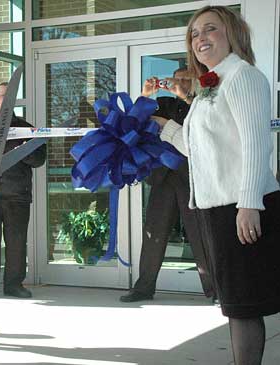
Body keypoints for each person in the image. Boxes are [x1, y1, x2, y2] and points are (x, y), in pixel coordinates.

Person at [154, 6, 280, 364]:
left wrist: (249, 204)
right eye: (194, 33)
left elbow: (256, 143)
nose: (200, 38)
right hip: (216, 210)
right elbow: (199, 149)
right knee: (235, 306)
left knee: (243, 307)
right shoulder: (212, 85)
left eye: (210, 29)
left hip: (239, 207)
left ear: (234, 34)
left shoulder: (242, 76)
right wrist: (162, 128)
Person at [120, 67, 215, 303]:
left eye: (186, 79)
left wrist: (186, 96)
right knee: (154, 233)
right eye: (177, 79)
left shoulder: (202, 103)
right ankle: (143, 288)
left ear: (195, 82)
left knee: (199, 234)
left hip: (190, 177)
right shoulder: (162, 103)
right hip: (162, 177)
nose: (181, 82)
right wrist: (145, 94)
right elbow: (135, 121)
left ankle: (215, 291)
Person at [0, 82, 47, 300]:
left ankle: (14, 284)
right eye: (1, 96)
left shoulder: (26, 128)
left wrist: (23, 148)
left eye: (10, 97)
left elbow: (39, 160)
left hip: (18, 195)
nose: (5, 100)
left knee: (16, 243)